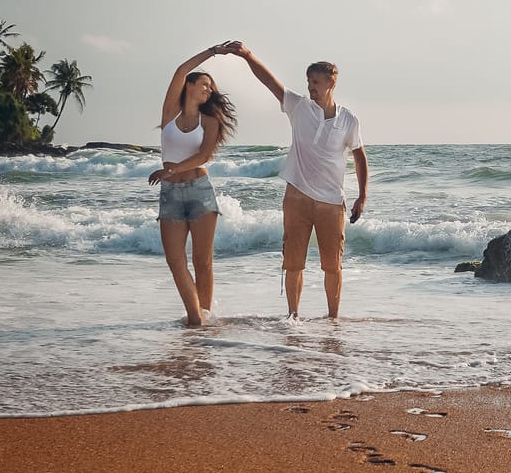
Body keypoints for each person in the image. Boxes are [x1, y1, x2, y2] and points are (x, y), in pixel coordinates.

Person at [227, 44, 367, 318]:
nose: (310, 87)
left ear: (331, 82)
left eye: (315, 82)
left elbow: (360, 157)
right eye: (308, 82)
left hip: (331, 201)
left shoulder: (348, 119)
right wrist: (247, 56)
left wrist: (362, 196)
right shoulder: (298, 106)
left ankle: (333, 319)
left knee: (332, 265)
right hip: (297, 198)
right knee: (293, 263)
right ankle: (293, 316)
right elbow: (269, 82)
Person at [148, 44, 237, 326]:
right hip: (171, 194)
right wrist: (213, 51)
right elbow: (180, 70)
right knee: (175, 261)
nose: (208, 91)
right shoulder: (169, 114)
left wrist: (171, 169)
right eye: (203, 85)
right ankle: (196, 316)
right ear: (188, 86)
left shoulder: (209, 121)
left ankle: (202, 319)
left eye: (211, 88)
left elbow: (204, 156)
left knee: (203, 262)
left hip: (200, 191)